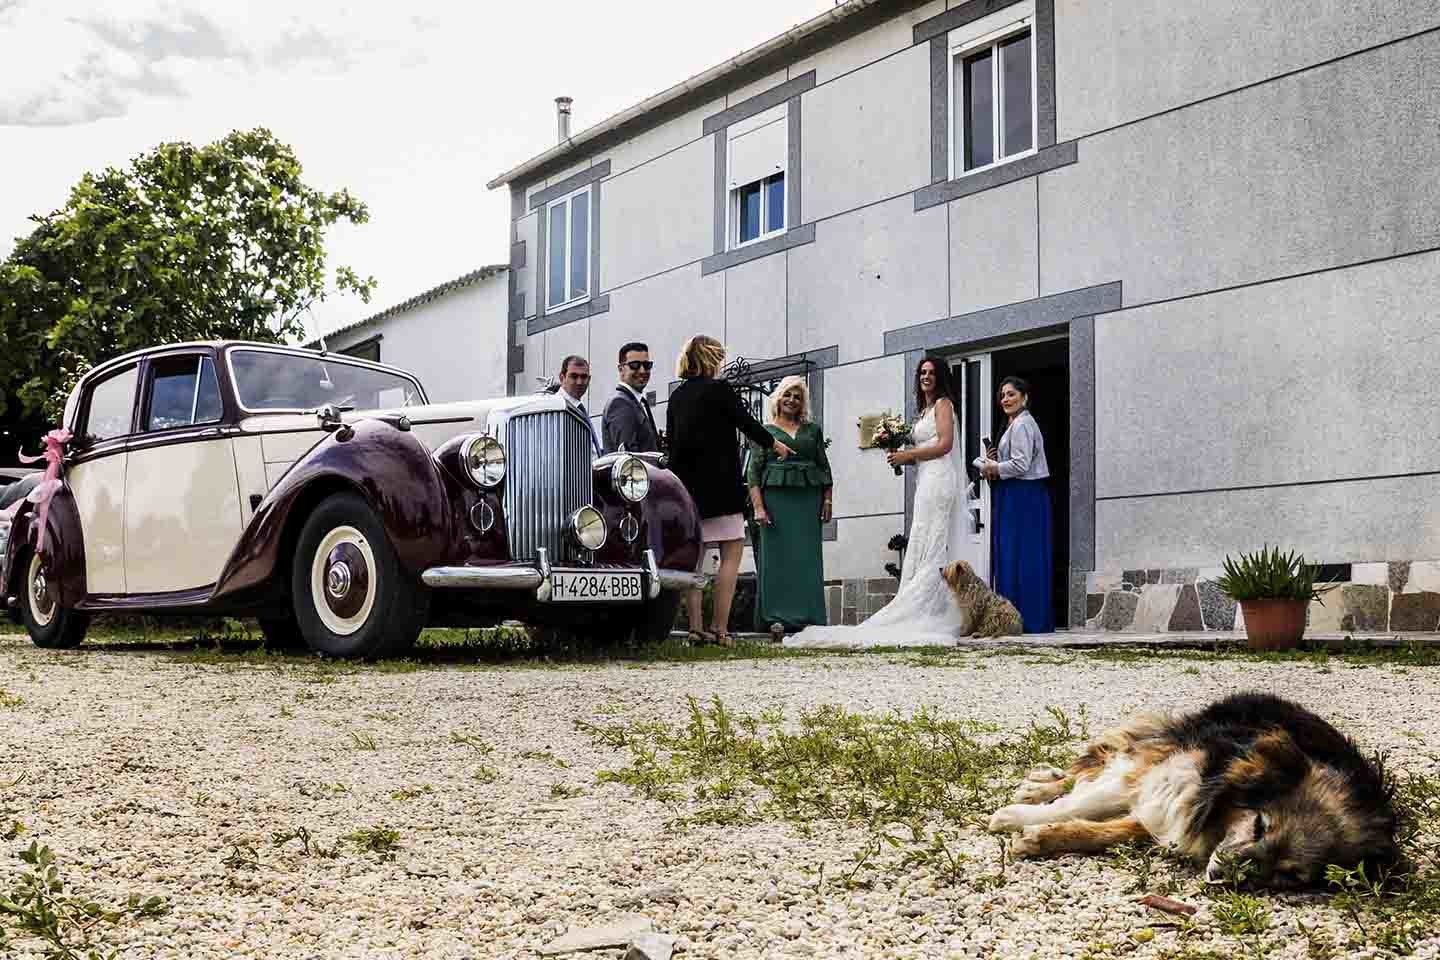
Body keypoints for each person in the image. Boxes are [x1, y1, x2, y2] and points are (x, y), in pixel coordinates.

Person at [785, 357, 974, 649]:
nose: (926, 377)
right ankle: (918, 602)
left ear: (940, 377)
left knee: (934, 542)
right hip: (926, 478)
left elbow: (946, 444)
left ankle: (932, 608)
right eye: (922, 372)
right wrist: (896, 446)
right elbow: (926, 445)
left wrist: (909, 455)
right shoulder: (924, 410)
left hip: (939, 479)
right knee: (923, 539)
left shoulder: (943, 405)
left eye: (932, 373)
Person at [666, 334, 794, 647]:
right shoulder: (720, 389)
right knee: (731, 557)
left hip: (688, 491)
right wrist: (774, 443)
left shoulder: (677, 396)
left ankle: (695, 629)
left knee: (693, 561)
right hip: (722, 487)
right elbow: (745, 422)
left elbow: (671, 443)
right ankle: (720, 630)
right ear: (711, 358)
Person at [747, 376, 832, 635]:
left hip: (808, 502)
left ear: (802, 402)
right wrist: (758, 508)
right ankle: (776, 618)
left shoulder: (813, 431)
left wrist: (827, 499)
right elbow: (753, 472)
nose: (792, 400)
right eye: (787, 395)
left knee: (807, 559)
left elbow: (824, 468)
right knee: (777, 560)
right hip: (775, 503)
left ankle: (810, 617)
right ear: (778, 398)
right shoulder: (766, 432)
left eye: (797, 396)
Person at [980, 376, 1054, 633]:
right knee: (1016, 554)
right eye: (1002, 395)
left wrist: (994, 467)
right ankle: (1017, 619)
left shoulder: (1022, 424)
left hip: (1024, 496)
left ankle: (1026, 619)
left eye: (1011, 394)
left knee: (1022, 556)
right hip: (1017, 494)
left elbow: (1021, 465)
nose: (1005, 399)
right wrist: (996, 463)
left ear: (1024, 397)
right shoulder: (1015, 424)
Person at [601, 341, 661, 453]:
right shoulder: (620, 403)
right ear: (621, 369)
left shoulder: (636, 401)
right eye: (635, 365)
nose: (642, 371)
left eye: (647, 365)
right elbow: (629, 460)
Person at [556, 355, 601, 454]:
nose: (579, 382)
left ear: (589, 379)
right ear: (562, 377)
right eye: (574, 376)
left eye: (583, 377)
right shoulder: (554, 410)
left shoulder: (579, 408)